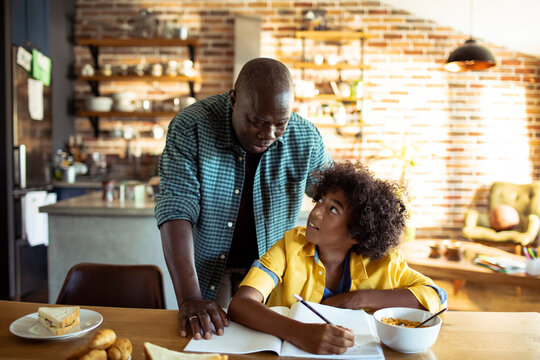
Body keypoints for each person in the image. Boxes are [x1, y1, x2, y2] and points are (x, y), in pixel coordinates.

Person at [155, 57, 332, 340]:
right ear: (233, 99)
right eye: (257, 122)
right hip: (211, 269)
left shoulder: (306, 137)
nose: (268, 134)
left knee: (270, 346)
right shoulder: (191, 126)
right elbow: (177, 207)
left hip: (272, 270)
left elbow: (334, 195)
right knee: (211, 341)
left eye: (280, 124)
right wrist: (190, 297)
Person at [228, 161, 447, 355]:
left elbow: (437, 296)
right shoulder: (290, 245)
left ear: (357, 232)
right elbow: (241, 304)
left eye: (333, 209)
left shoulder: (384, 264)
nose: (315, 212)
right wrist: (300, 333)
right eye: (320, 201)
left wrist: (357, 299)